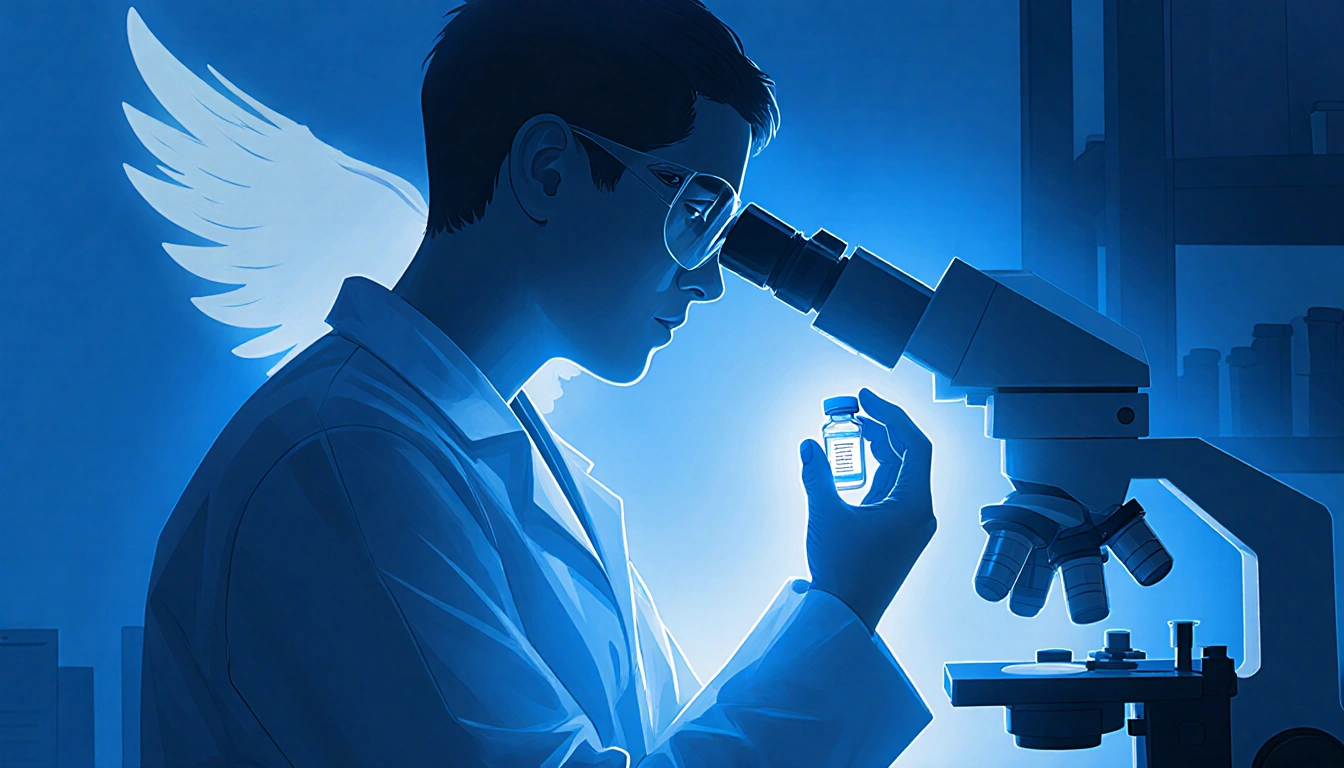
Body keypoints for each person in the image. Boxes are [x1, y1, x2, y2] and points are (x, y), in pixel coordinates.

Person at [140, 0, 939, 765]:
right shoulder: (343, 462)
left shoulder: (504, 453)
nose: (709, 282)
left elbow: (668, 749)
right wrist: (845, 604)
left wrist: (841, 603)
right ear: (550, 171)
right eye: (698, 211)